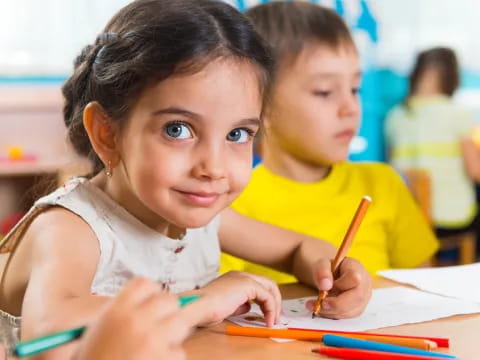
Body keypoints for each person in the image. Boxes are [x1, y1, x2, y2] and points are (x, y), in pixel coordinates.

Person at [0, 1, 371, 358]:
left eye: (238, 134)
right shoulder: (72, 228)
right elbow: (49, 340)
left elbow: (298, 249)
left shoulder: (200, 218)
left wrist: (335, 272)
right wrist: (199, 302)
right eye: (177, 129)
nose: (213, 167)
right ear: (107, 133)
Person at [221, 1, 439, 283]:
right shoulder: (231, 204)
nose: (350, 107)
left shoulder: (383, 185)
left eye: (354, 89)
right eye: (325, 92)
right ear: (261, 106)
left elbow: (429, 294)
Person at [385, 47, 480, 240]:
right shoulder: (458, 113)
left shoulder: (395, 115)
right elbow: (475, 170)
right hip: (451, 219)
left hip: (408, 218)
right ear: (452, 75)